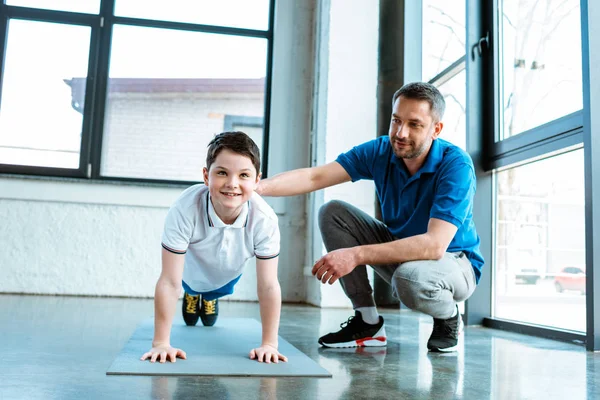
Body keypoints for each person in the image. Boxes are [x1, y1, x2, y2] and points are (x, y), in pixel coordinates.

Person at [257, 82, 484, 352]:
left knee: (410, 278)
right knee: (333, 212)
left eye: (414, 124)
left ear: (436, 129)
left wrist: (355, 255)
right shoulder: (380, 151)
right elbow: (315, 176)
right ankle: (367, 321)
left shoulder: (455, 165)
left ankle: (448, 317)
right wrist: (256, 187)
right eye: (396, 121)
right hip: (404, 253)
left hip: (453, 264)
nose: (400, 133)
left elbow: (434, 245)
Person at [141, 131, 288, 364]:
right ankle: (193, 296)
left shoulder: (264, 219)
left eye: (244, 175)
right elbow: (170, 281)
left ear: (257, 180)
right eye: (222, 173)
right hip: (188, 277)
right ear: (206, 176)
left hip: (225, 278)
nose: (232, 184)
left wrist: (269, 344)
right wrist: (161, 343)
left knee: (211, 298)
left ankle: (209, 299)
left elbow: (269, 285)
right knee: (192, 294)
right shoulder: (184, 209)